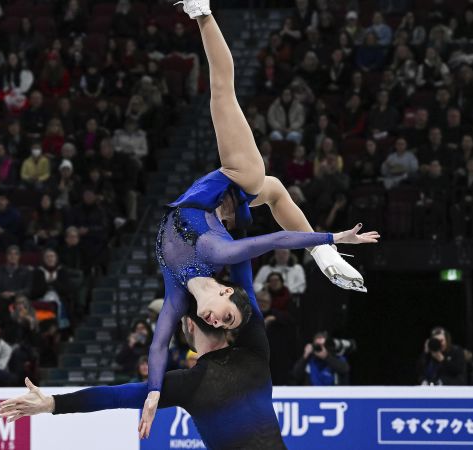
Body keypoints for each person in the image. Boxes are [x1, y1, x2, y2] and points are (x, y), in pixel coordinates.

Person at [142, 6, 380, 437]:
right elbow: (276, 238)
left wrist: (154, 392)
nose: (216, 323)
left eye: (219, 324)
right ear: (227, 291)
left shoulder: (178, 296)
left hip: (211, 206)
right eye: (228, 319)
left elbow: (159, 345)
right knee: (245, 143)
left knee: (269, 184)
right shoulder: (221, 253)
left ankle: (323, 254)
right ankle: (203, 13)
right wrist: (333, 234)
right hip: (224, 191)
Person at [0, 256, 285, 448]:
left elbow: (114, 396)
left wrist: (52, 403)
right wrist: (240, 216)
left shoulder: (188, 384)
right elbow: (242, 280)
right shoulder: (255, 353)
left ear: (187, 324)